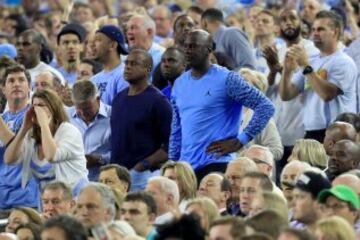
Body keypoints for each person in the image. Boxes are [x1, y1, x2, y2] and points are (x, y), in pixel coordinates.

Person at [169, 30, 274, 181]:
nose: (187, 50)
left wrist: (240, 140)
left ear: (209, 50)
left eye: (193, 46)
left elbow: (265, 107)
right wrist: (173, 162)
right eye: (186, 46)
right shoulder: (179, 83)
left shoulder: (227, 79)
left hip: (216, 164)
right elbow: (176, 128)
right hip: (186, 168)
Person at [279, 10, 357, 142]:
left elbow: (327, 94)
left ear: (335, 32)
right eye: (314, 29)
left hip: (337, 132)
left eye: (321, 29)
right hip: (311, 131)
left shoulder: (344, 61)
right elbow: (286, 95)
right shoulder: (312, 61)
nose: (315, 33)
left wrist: (304, 66)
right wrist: (287, 71)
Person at [4, 89, 88, 196]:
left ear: (53, 108)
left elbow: (51, 156)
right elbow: (9, 159)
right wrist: (24, 129)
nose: (37, 110)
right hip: (48, 200)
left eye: (41, 105)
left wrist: (44, 124)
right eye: (34, 106)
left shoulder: (69, 131)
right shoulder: (31, 136)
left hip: (75, 196)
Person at [111, 49, 172, 191]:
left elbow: (171, 145)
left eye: (134, 63)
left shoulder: (158, 101)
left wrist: (142, 165)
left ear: (147, 69)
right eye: (127, 63)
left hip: (142, 176)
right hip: (117, 175)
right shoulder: (119, 98)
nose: (128, 66)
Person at [0, 64, 39, 209]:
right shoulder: (2, 119)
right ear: (3, 89)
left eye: (21, 80)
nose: (16, 84)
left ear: (30, 87)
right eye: (11, 81)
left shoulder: (37, 115)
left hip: (27, 200)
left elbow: (18, 152)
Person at [69, 80, 111, 181]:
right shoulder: (65, 116)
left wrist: (98, 160)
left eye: (87, 108)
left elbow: (121, 153)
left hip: (102, 182)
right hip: (72, 182)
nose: (83, 113)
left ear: (98, 99)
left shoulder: (115, 117)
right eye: (78, 108)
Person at [90, 25, 129, 105]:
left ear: (112, 45)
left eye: (98, 40)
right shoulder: (93, 80)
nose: (92, 44)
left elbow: (122, 112)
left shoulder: (124, 76)